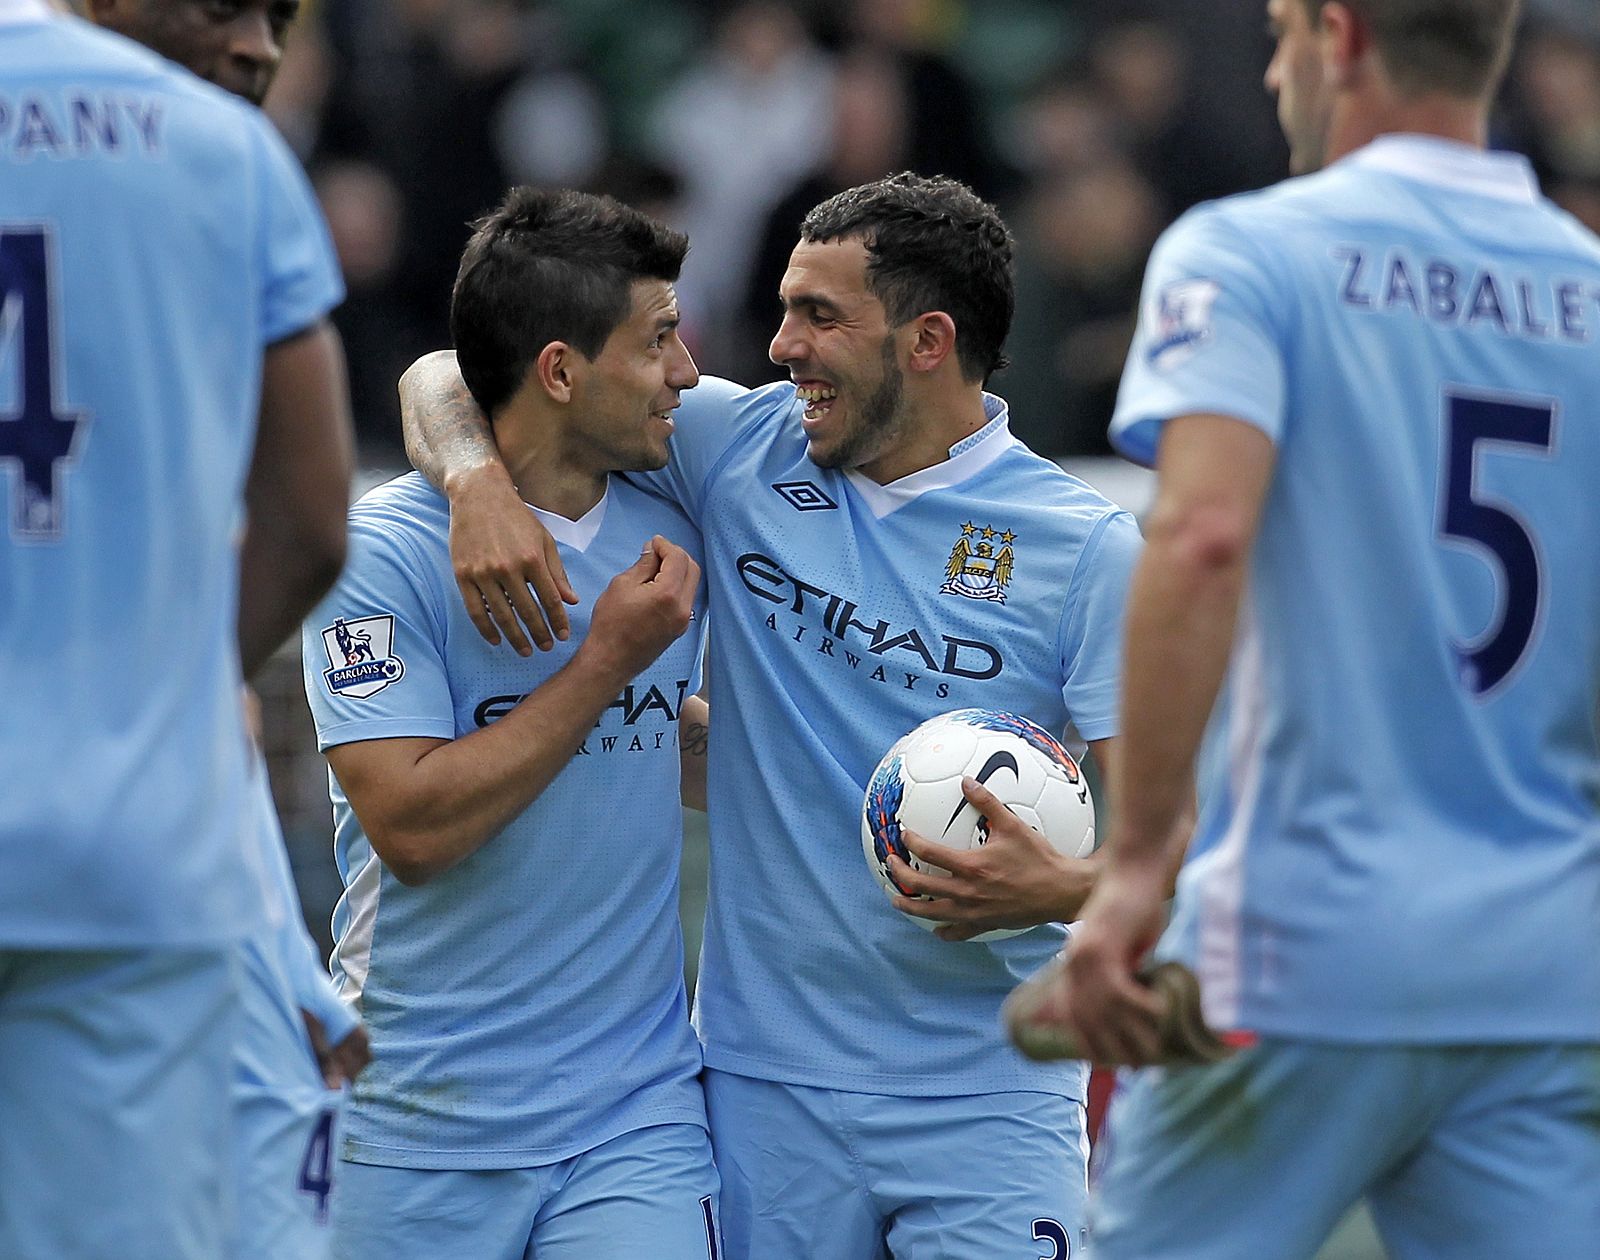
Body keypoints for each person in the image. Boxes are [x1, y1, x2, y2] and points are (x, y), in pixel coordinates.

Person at [399, 172, 1145, 1258]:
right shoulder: (740, 447)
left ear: (927, 340)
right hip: (761, 1088)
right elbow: (452, 372)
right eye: (787, 307)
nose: (780, 343)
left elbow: (1175, 849)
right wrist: (473, 482)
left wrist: (1071, 886)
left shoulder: (1085, 549)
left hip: (990, 1091)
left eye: (820, 315)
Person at [1048, 0, 1600, 1255]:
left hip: (1298, 954)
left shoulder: (1247, 252)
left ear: (1340, 37)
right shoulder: (1589, 285)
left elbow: (1196, 539)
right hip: (1538, 973)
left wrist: (1135, 867)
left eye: (1282, 31)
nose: (1269, 63)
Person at [301, 187, 719, 1260]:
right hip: (417, 1115)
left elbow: (440, 372)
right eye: (661, 339)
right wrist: (606, 665)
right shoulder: (383, 555)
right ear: (561, 371)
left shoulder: (682, 496)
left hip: (635, 1115)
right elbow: (415, 830)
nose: (686, 371)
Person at [0, 1, 352, 1257]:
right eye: (220, 5)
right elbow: (315, 521)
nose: (257, 44)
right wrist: (170, 677)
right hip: (129, 851)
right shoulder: (221, 150)